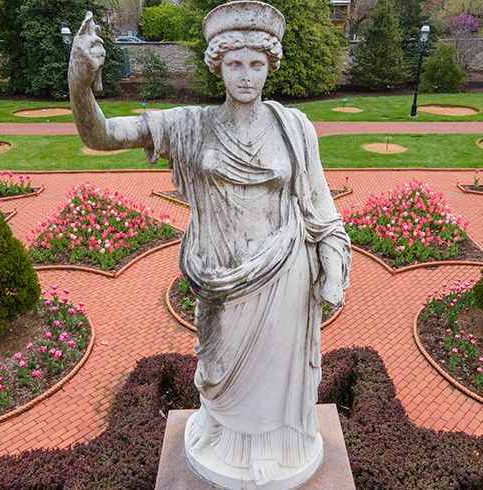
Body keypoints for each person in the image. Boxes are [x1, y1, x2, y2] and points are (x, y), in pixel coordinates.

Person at [68, 3, 351, 488]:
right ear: (218, 64)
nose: (246, 76)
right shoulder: (191, 124)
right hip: (220, 278)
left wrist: (331, 260)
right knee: (218, 368)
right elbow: (102, 135)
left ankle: (269, 443)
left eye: (257, 64)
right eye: (235, 64)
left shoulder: (295, 128)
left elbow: (321, 207)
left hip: (284, 270)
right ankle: (224, 431)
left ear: (270, 66)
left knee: (274, 372)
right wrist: (79, 82)